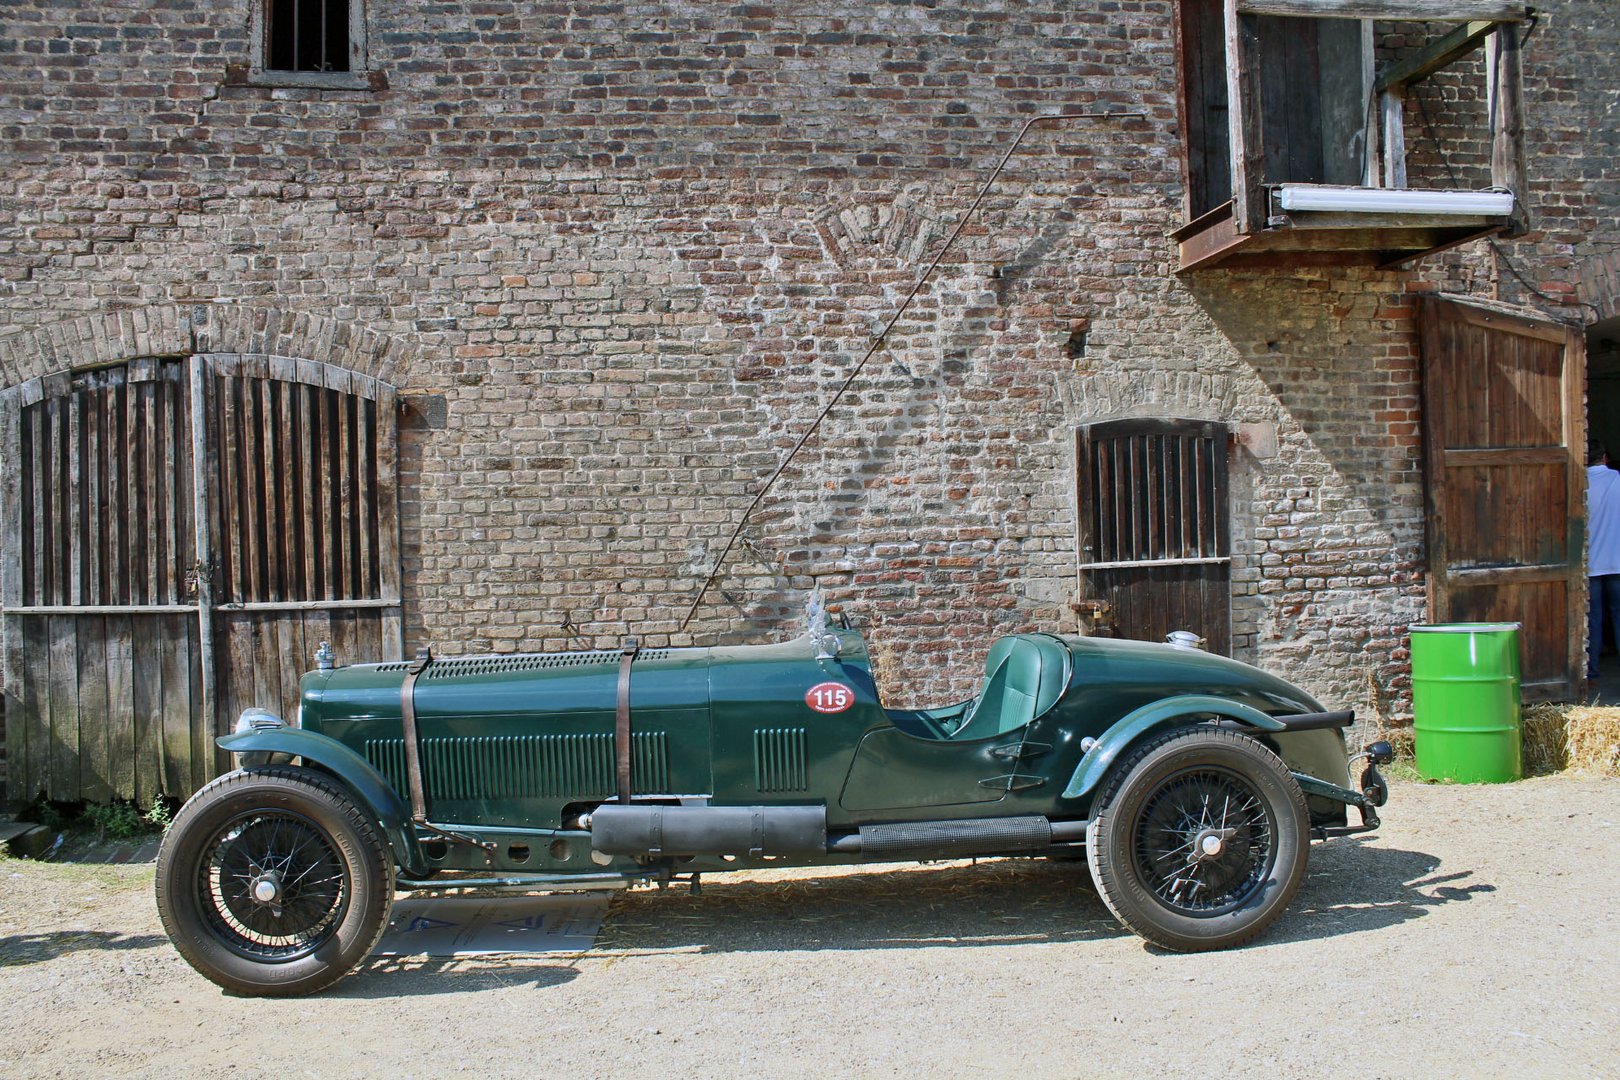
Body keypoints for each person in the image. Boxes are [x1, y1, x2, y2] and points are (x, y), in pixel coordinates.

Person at [1588, 443, 1620, 680]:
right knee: (1618, 614)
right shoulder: (1617, 479)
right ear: (1606, 458)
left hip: (1591, 564)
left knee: (1594, 617)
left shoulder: (1581, 483)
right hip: (1617, 561)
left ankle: (1592, 670)